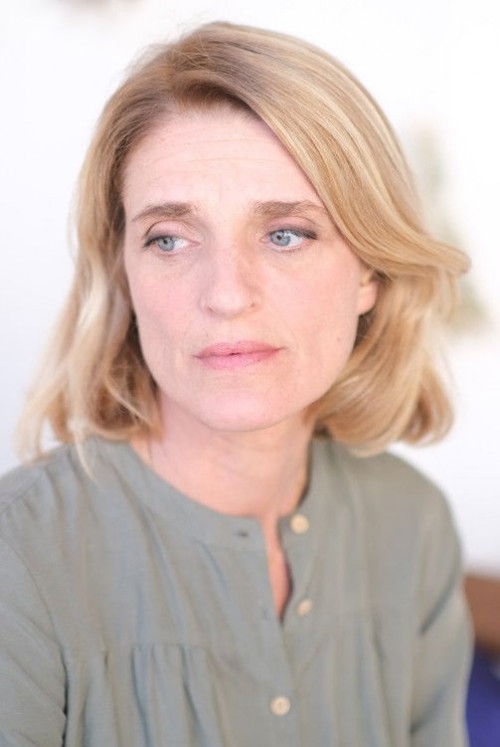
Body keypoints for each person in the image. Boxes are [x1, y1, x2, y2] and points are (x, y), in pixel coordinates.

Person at [0, 20, 471, 747]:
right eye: (169, 238)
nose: (225, 294)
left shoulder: (413, 525)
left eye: (286, 234)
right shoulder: (21, 556)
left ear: (370, 272)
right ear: (125, 273)